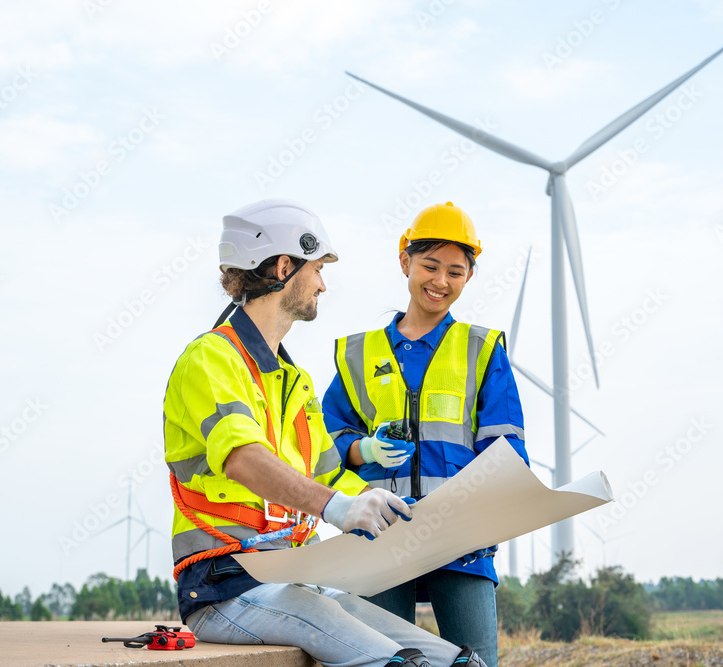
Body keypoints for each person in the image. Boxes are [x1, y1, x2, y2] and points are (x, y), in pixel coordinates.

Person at [163, 198, 487, 667]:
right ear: (282, 267)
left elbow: (332, 475)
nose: (323, 283)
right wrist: (339, 508)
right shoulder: (211, 360)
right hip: (225, 587)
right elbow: (243, 458)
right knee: (403, 663)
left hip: (297, 580)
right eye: (317, 269)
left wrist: (409, 518)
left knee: (455, 660)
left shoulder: (294, 382)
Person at [322, 202, 529, 667]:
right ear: (405, 262)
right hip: (381, 538)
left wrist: (484, 522)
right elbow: (322, 449)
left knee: (476, 662)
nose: (440, 281)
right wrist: (363, 448)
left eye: (455, 271)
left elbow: (508, 455)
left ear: (469, 277)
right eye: (430, 265)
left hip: (462, 543)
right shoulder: (357, 355)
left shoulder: (483, 350)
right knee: (385, 662)